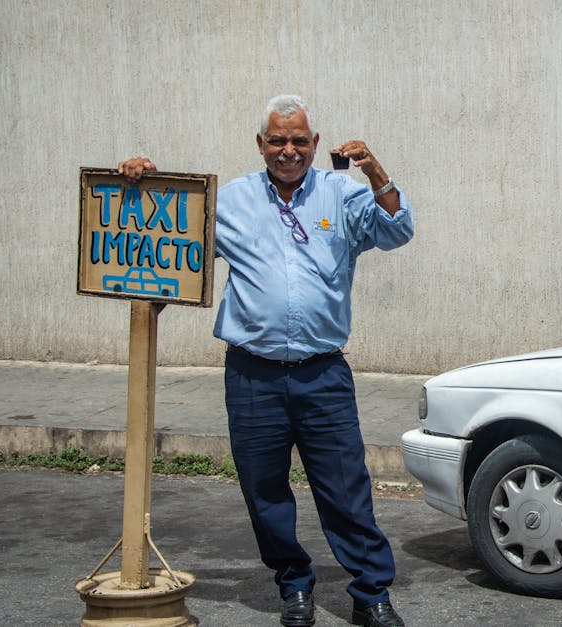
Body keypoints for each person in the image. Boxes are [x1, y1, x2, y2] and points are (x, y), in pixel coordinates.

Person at [119, 94, 412, 627]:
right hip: (252, 375)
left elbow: (396, 230)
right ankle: (294, 586)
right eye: (277, 140)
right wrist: (144, 186)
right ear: (261, 145)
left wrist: (374, 170)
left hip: (323, 374)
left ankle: (371, 593)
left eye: (299, 140)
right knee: (264, 490)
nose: (288, 150)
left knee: (346, 490)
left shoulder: (342, 195)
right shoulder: (230, 201)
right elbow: (169, 239)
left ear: (315, 144)